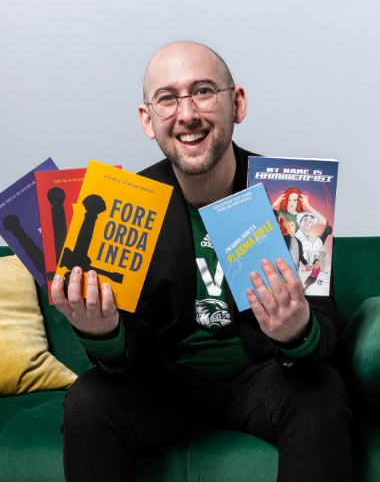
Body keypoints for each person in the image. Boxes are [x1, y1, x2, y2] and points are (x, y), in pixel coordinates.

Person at [51, 41, 352, 482]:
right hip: (166, 381)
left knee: (322, 391)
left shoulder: (286, 194)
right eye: (168, 98)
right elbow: (127, 353)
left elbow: (324, 331)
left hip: (262, 377)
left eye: (204, 91)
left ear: (238, 103)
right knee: (89, 397)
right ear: (147, 120)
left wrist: (297, 334)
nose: (187, 113)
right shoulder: (127, 205)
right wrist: (102, 333)